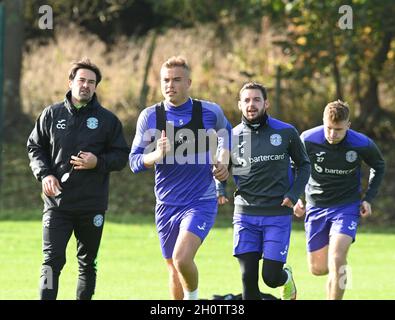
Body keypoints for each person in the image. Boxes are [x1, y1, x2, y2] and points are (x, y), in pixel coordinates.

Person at [27, 58, 129, 300]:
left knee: (87, 263)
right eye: (81, 80)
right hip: (57, 205)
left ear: (95, 87)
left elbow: (121, 156)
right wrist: (45, 174)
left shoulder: (108, 120)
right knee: (51, 262)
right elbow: (35, 147)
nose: (85, 85)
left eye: (91, 82)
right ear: (70, 82)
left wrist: (98, 162)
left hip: (91, 205)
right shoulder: (51, 115)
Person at [129, 56, 231, 300]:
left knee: (182, 258)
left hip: (200, 201)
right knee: (174, 269)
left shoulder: (209, 111)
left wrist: (224, 160)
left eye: (176, 80)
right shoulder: (150, 116)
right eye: (165, 80)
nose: (170, 85)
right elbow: (134, 162)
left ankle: (193, 300)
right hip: (166, 204)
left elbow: (226, 133)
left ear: (189, 83)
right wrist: (156, 154)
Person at [217, 82, 311, 300]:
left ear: (266, 103)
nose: (251, 104)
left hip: (277, 214)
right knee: (248, 283)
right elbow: (223, 167)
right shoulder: (233, 136)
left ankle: (285, 278)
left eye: (256, 100)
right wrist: (220, 188)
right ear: (240, 105)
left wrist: (294, 194)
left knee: (270, 277)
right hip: (245, 215)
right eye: (247, 100)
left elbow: (304, 165)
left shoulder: (285, 132)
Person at [294, 100, 385, 300]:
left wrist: (368, 198)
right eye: (329, 128)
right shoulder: (307, 139)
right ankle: (338, 273)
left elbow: (379, 166)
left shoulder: (361, 143)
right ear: (323, 122)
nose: (332, 134)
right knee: (318, 269)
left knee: (337, 258)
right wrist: (296, 197)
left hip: (347, 206)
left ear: (348, 126)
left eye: (338, 130)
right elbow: (293, 168)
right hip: (316, 205)